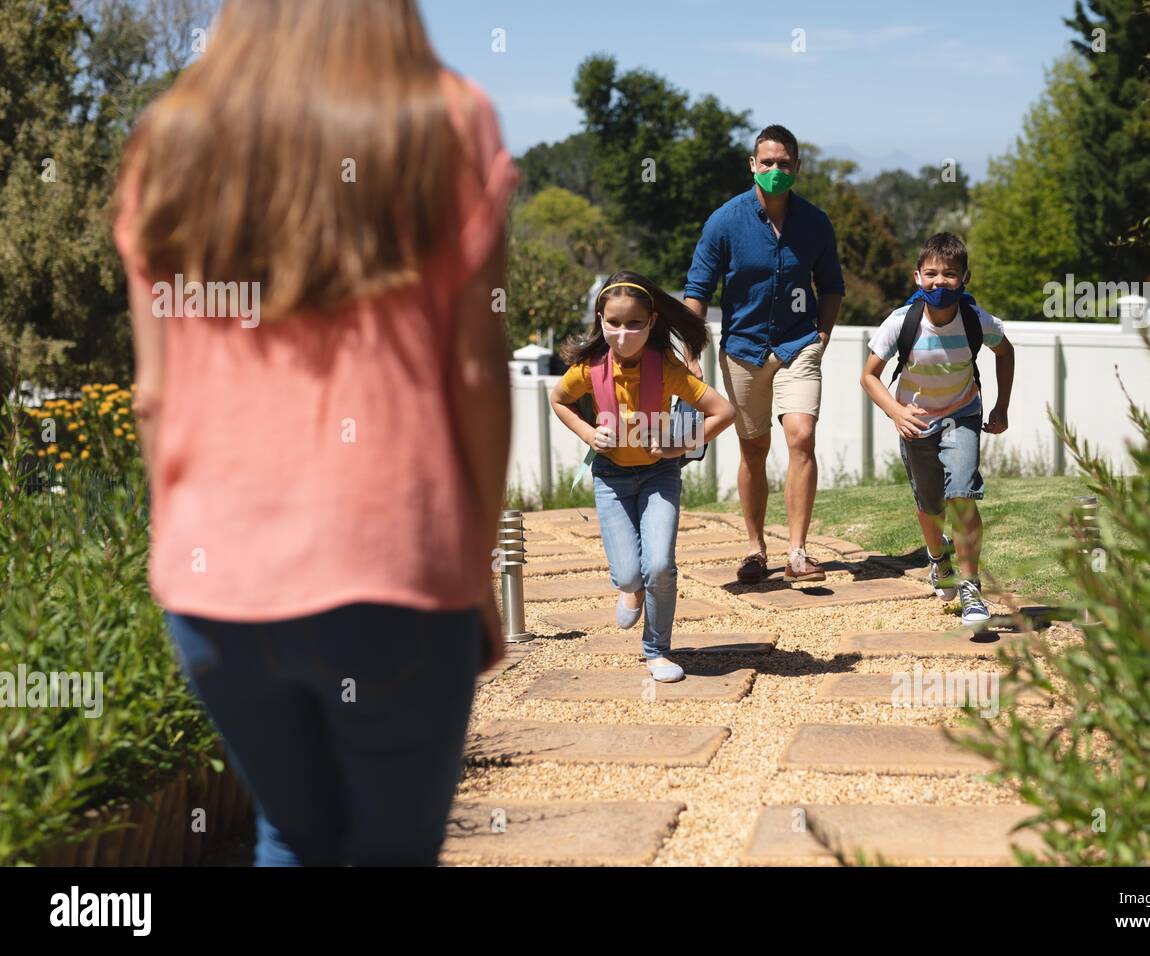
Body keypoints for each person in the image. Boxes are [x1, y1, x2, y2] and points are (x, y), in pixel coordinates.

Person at [111, 0, 518, 865]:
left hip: (216, 585)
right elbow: (477, 376)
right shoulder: (446, 120)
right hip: (392, 569)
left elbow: (154, 394)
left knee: (289, 834)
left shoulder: (169, 138)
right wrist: (475, 567)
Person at [550, 273, 735, 682]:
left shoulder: (666, 368)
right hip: (611, 479)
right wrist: (586, 432)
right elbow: (559, 400)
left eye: (634, 323)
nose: (623, 333)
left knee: (660, 565)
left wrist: (676, 446)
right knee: (632, 574)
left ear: (652, 321)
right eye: (613, 322)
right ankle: (629, 589)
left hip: (659, 476)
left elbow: (724, 411)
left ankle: (657, 650)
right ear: (600, 319)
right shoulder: (588, 369)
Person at [682, 124, 845, 585]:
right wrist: (691, 351)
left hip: (798, 346)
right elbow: (697, 290)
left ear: (797, 167)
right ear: (753, 165)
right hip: (742, 348)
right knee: (753, 448)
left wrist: (823, 335)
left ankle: (797, 552)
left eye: (784, 163)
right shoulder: (724, 221)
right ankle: (755, 548)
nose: (775, 170)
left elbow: (832, 286)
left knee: (802, 437)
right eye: (767, 162)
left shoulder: (815, 223)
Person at [860, 233, 1016, 626]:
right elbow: (868, 377)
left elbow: (1005, 350)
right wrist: (896, 412)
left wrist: (1001, 406)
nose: (939, 281)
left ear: (965, 278)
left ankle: (971, 589)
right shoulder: (902, 321)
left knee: (962, 495)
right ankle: (937, 557)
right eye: (931, 273)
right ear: (917, 277)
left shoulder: (976, 320)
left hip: (963, 414)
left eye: (949, 274)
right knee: (930, 505)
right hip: (916, 422)